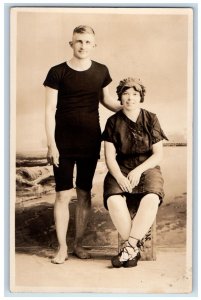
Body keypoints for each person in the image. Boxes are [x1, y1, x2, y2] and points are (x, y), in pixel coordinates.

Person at [43, 25, 121, 264]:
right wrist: (51, 145)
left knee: (85, 193)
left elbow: (106, 100)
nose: (83, 46)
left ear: (93, 45)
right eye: (79, 41)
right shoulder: (57, 72)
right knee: (62, 195)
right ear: (71, 44)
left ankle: (78, 244)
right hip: (63, 143)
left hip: (90, 141)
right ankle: (62, 248)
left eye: (87, 42)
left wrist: (128, 107)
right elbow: (48, 111)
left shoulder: (101, 71)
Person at [102, 77, 168, 268]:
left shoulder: (151, 118)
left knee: (152, 198)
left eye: (134, 94)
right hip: (120, 168)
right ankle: (134, 249)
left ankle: (129, 248)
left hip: (147, 166)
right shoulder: (112, 122)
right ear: (120, 98)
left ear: (140, 97)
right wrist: (120, 177)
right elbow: (110, 157)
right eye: (125, 94)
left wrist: (139, 170)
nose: (130, 98)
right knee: (113, 199)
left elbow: (158, 155)